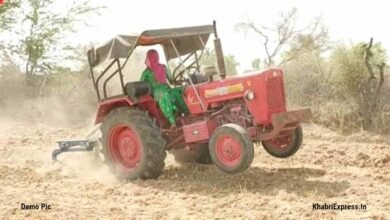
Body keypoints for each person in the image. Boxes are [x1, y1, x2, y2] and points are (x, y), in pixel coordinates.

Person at [140, 49, 188, 126]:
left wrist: (182, 81)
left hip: (166, 88)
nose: (154, 58)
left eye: (156, 56)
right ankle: (172, 122)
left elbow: (172, 80)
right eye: (152, 57)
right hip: (157, 91)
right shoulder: (146, 73)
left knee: (178, 91)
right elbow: (142, 85)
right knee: (165, 95)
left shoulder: (163, 67)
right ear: (148, 58)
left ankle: (186, 114)